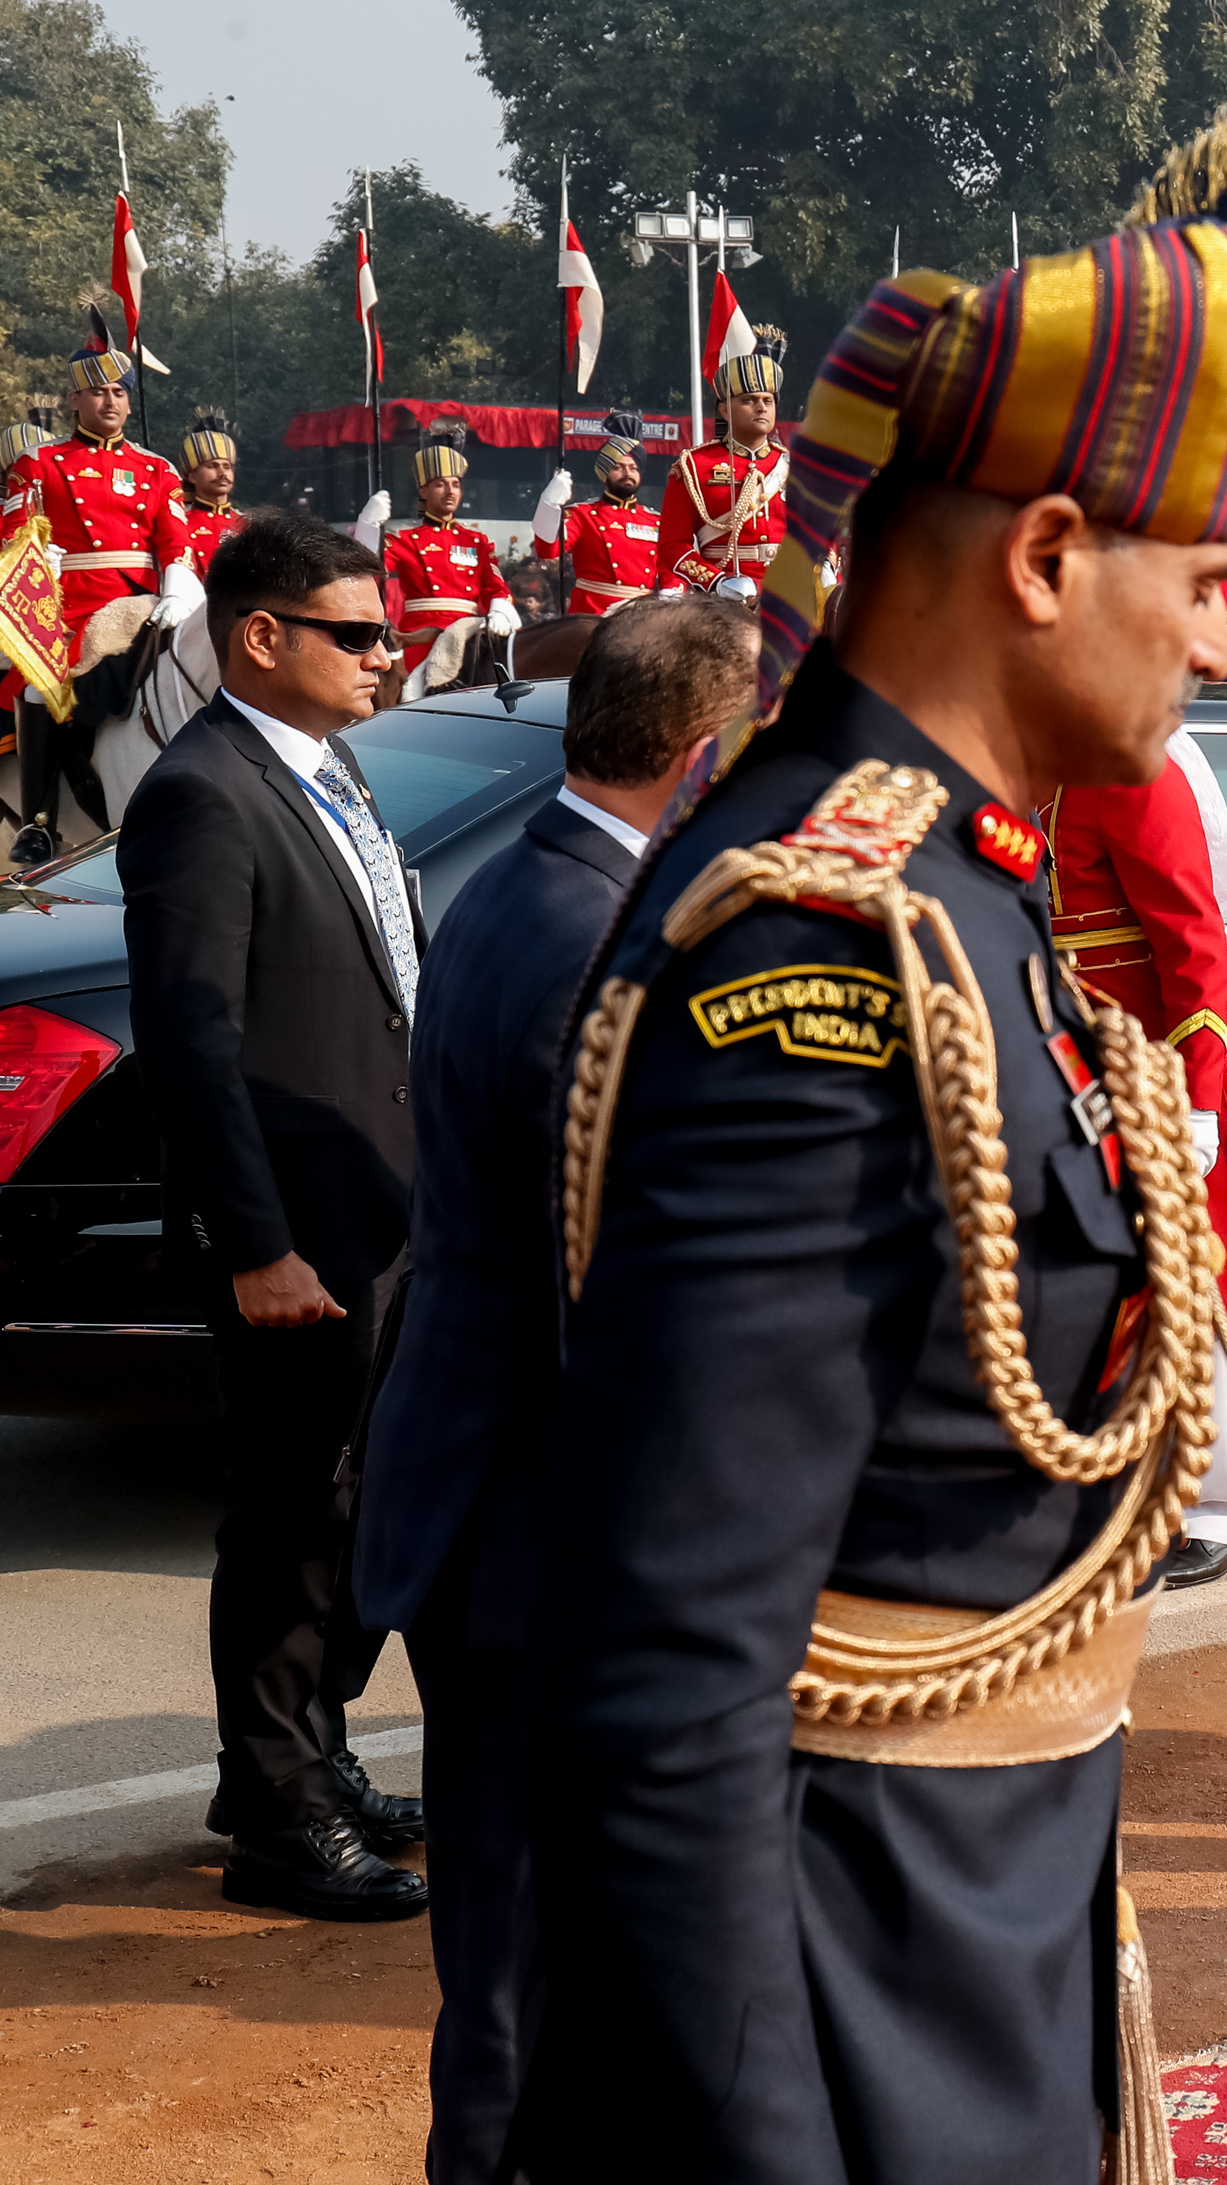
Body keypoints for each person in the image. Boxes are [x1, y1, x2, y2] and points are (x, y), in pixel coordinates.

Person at [517, 90, 1227, 2174]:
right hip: (853, 1972)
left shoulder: (968, 882)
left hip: (973, 1893)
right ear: (1047, 555)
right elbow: (674, 1658)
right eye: (1209, 578)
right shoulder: (837, 951)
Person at [355, 592, 757, 2181]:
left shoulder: (525, 880)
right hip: (537, 1515)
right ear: (704, 753)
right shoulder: (612, 949)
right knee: (526, 1969)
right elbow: (618, 1299)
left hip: (476, 1476)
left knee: (510, 1946)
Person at [119, 508, 428, 1922]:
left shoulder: (325, 765)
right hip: (294, 1234)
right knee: (293, 1519)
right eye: (359, 632)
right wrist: (253, 1244)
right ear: (262, 636)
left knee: (355, 1509)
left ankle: (303, 1764)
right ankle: (279, 1815)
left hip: (378, 1211)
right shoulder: (204, 795)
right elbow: (194, 1041)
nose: (389, 651)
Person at [1048, 723, 1227, 1589]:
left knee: (1202, 1293)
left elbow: (1192, 941)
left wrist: (1197, 1099)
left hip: (1161, 1063)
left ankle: (1222, 1508)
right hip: (1073, 1063)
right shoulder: (1023, 757)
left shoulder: (1129, 761)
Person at [2, 336, 195, 861]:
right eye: (96, 392)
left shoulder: (159, 469)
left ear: (130, 402)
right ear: (73, 400)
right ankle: (38, 823)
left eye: (118, 392)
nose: (109, 401)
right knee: (44, 684)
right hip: (69, 607)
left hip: (146, 598)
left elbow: (175, 540)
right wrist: (40, 564)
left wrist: (177, 588)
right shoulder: (38, 463)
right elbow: (15, 542)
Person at [380, 431, 522, 690]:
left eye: (456, 484)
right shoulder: (406, 539)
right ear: (423, 490)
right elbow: (371, 567)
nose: (450, 491)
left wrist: (499, 607)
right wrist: (369, 528)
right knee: (409, 693)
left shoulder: (476, 540)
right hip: (422, 636)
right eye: (440, 484)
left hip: (471, 632)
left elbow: (495, 587)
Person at [652, 344, 790, 600]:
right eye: (749, 400)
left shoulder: (794, 467)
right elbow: (673, 546)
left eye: (767, 400)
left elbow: (820, 532)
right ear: (725, 410)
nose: (761, 407)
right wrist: (718, 583)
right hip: (723, 597)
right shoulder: (693, 465)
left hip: (790, 596)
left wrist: (825, 567)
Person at [533, 414, 665, 617]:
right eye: (618, 467)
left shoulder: (655, 520)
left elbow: (671, 566)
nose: (627, 474)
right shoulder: (583, 515)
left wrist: (672, 592)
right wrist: (549, 505)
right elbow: (548, 550)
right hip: (593, 613)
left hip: (643, 615)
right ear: (605, 473)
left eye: (633, 468)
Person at [175, 411, 249, 580]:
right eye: (212, 466)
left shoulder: (246, 525)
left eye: (227, 466)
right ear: (192, 476)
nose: (223, 473)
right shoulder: (180, 522)